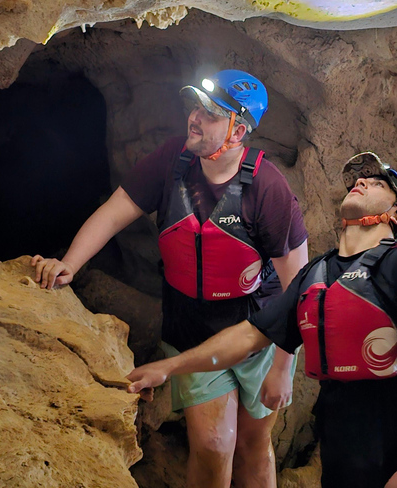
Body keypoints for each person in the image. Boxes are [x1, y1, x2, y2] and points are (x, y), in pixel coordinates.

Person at [31, 69, 309, 488]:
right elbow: (114, 210)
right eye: (196, 106)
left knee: (254, 443)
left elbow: (298, 287)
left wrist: (284, 368)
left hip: (258, 331)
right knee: (215, 444)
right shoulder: (171, 162)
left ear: (238, 131)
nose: (195, 117)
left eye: (212, 113)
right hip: (192, 325)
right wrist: (70, 262)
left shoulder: (267, 188)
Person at [126, 152, 397, 488]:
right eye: (361, 179)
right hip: (342, 462)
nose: (363, 181)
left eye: (380, 183)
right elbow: (247, 337)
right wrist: (169, 367)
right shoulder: (316, 275)